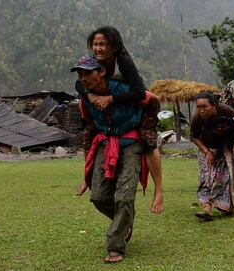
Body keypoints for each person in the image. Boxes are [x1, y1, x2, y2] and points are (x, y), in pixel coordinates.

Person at [71, 55, 162, 263]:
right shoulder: (84, 95)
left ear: (101, 72)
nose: (83, 78)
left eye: (88, 72)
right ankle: (124, 221)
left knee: (124, 197)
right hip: (105, 143)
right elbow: (89, 127)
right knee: (99, 197)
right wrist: (86, 172)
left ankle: (115, 246)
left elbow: (153, 99)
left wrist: (147, 128)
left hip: (131, 143)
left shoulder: (124, 89)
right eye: (80, 73)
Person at [76, 26, 163, 216]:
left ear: (113, 46)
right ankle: (88, 178)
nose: (97, 49)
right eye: (94, 44)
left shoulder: (122, 61)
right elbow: (78, 83)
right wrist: (90, 96)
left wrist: (110, 99)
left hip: (137, 102)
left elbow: (139, 92)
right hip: (108, 105)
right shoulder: (91, 63)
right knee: (89, 134)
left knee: (148, 141)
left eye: (102, 44)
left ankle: (158, 190)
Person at [190, 92, 234, 221]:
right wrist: (206, 152)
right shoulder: (197, 118)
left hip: (225, 148)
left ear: (214, 105)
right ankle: (207, 208)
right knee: (206, 177)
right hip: (206, 148)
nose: (201, 110)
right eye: (198, 107)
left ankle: (224, 205)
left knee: (222, 178)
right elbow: (193, 136)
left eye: (204, 107)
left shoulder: (225, 110)